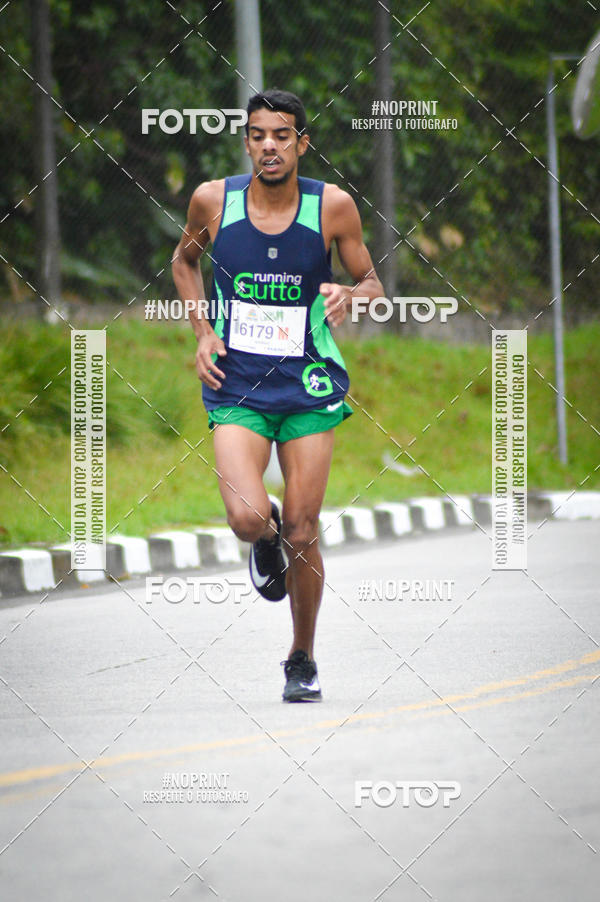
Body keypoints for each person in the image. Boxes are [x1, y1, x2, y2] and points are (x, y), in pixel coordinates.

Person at [172, 88, 383, 702]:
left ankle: (302, 657)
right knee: (247, 516)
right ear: (247, 142)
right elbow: (184, 263)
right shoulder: (213, 201)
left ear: (302, 143)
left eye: (282, 135)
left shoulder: (332, 207)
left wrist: (350, 295)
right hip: (237, 381)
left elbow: (373, 282)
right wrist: (203, 331)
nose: (270, 146)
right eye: (259, 135)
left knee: (303, 526)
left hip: (308, 385)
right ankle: (265, 541)